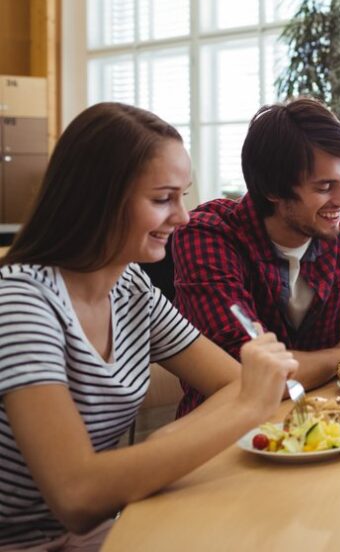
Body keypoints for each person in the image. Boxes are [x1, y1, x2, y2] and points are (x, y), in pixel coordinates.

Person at [0, 103, 297, 549]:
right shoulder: (21, 302)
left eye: (183, 195)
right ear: (98, 199)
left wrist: (174, 436)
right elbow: (76, 494)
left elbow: (231, 382)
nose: (182, 217)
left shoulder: (130, 286)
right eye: (163, 199)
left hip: (101, 529)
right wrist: (248, 408)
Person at [172, 98, 340, 415]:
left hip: (336, 428)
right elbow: (242, 371)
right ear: (272, 190)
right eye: (324, 187)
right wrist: (337, 357)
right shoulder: (209, 235)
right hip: (231, 436)